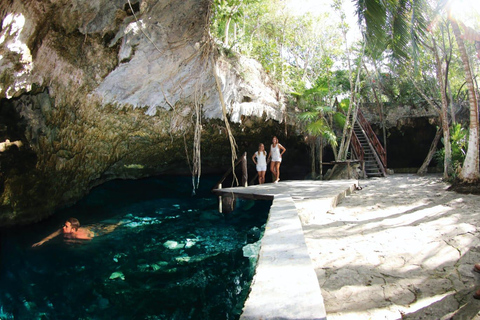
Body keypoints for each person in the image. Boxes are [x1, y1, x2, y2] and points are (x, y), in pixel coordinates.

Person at [31, 217, 121, 247]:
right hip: (89, 228)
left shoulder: (81, 236)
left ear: (73, 229)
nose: (63, 227)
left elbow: (90, 240)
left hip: (95, 232)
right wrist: (42, 241)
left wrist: (74, 242)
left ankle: (120, 223)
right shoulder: (63, 230)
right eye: (64, 225)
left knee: (112, 228)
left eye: (66, 226)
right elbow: (53, 234)